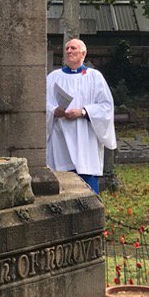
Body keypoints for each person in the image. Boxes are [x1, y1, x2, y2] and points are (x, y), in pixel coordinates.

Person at [45, 38, 116, 193]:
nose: (69, 51)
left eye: (73, 48)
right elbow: (43, 104)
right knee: (61, 182)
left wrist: (83, 112)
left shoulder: (94, 77)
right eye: (67, 49)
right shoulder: (53, 78)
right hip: (60, 139)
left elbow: (106, 106)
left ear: (83, 53)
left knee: (87, 185)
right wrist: (53, 111)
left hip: (85, 138)